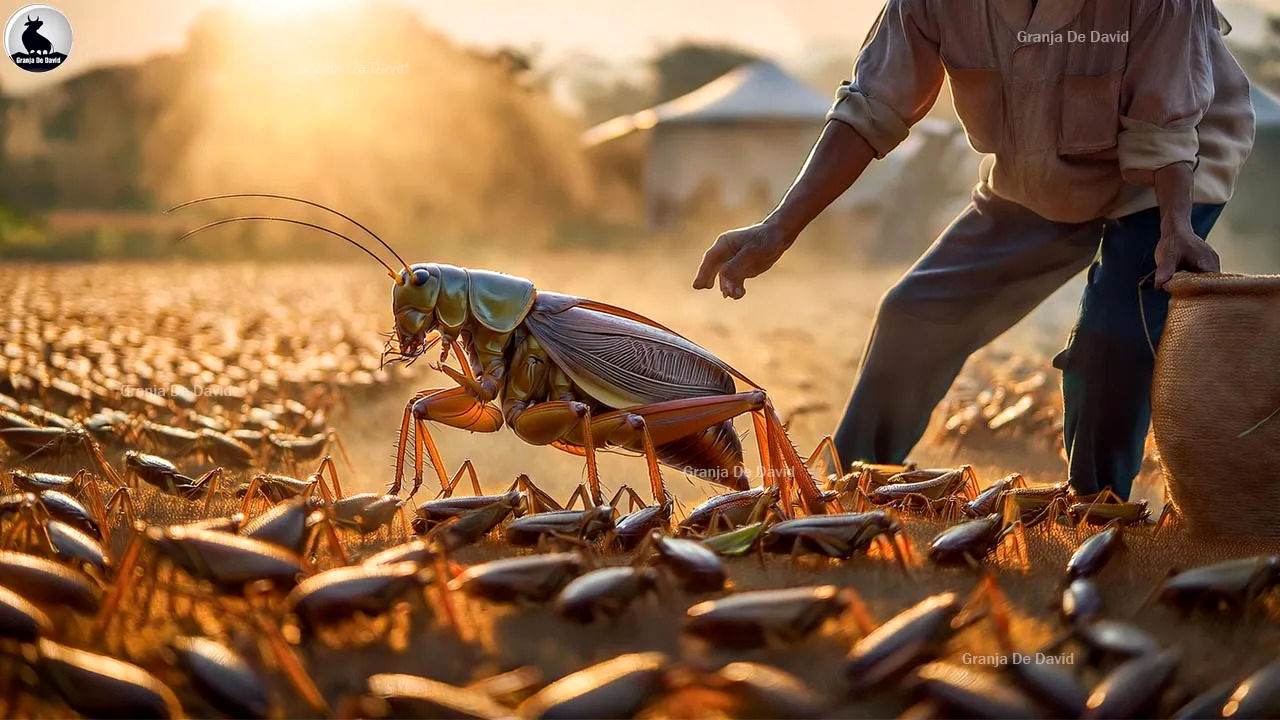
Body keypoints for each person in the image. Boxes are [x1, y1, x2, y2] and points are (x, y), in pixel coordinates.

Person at [692, 0, 1255, 499]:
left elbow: (1165, 128)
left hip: (1172, 175)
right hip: (1035, 175)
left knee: (1114, 340)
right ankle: (849, 484)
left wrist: (1177, 227)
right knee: (915, 312)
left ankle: (1096, 509)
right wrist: (777, 228)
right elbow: (871, 110)